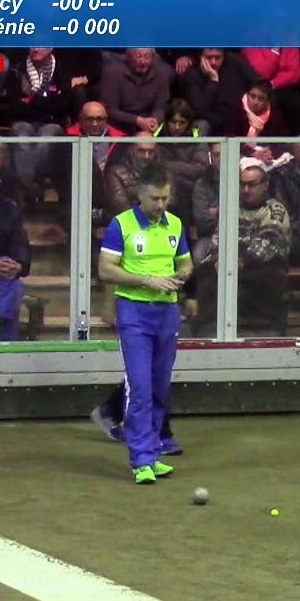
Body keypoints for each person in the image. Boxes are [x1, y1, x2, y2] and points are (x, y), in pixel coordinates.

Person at [96, 163, 192, 484]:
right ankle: (140, 460)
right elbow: (106, 269)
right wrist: (147, 281)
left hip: (167, 313)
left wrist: (181, 276)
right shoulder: (120, 225)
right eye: (155, 199)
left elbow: (186, 262)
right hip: (135, 312)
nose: (161, 205)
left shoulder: (175, 225)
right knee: (139, 387)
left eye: (165, 198)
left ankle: (152, 452)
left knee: (160, 387)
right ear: (141, 195)